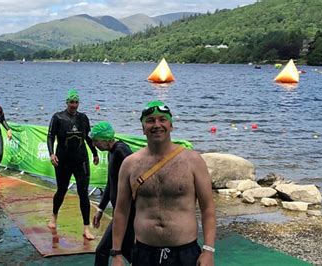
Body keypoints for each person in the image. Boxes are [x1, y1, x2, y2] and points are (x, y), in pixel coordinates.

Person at [112, 100, 216, 266]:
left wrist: (208, 250)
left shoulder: (193, 161)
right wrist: (116, 253)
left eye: (162, 120)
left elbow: (208, 208)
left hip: (185, 253)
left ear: (171, 125)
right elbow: (121, 211)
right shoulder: (130, 164)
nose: (157, 125)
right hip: (144, 253)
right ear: (143, 128)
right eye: (150, 121)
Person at [47, 88, 99, 240]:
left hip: (81, 160)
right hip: (63, 161)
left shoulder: (83, 118)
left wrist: (95, 153)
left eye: (76, 102)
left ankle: (86, 228)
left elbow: (88, 138)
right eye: (71, 102)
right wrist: (52, 153)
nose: (74, 105)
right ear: (67, 102)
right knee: (61, 191)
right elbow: (50, 137)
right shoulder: (58, 117)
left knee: (83, 193)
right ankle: (54, 217)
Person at [90, 121, 135, 266]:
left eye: (96, 141)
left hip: (127, 213)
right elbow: (111, 184)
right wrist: (100, 209)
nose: (94, 144)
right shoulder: (112, 152)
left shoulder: (121, 152)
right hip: (121, 213)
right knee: (129, 251)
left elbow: (139, 178)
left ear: (105, 139)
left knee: (102, 250)